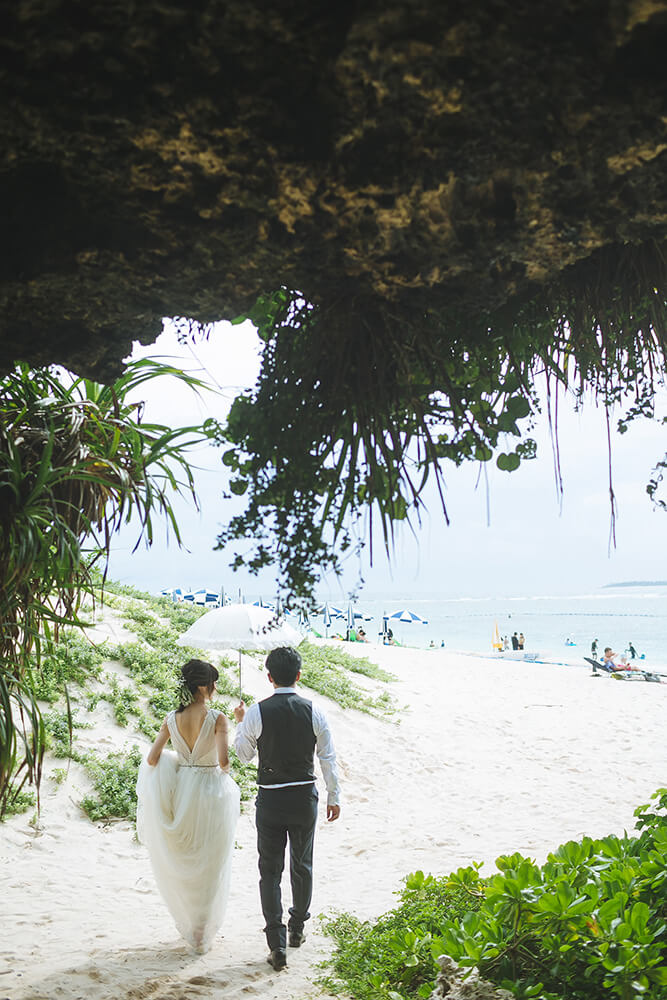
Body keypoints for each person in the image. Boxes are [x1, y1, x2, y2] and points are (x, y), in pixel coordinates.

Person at [233, 646, 341, 972]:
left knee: (269, 870)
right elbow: (327, 757)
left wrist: (240, 723)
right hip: (303, 796)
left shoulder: (256, 712)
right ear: (298, 675)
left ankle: (276, 942)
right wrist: (333, 796)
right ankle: (297, 927)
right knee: (302, 865)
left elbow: (243, 755)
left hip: (270, 798)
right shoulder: (314, 711)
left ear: (269, 677)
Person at [136, 659, 240, 953]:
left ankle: (192, 927)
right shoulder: (218, 718)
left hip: (182, 792)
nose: (215, 688)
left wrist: (178, 759)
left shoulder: (171, 718)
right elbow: (223, 763)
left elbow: (153, 759)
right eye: (214, 683)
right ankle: (201, 931)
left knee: (187, 857)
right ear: (205, 686)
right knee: (210, 862)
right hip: (210, 793)